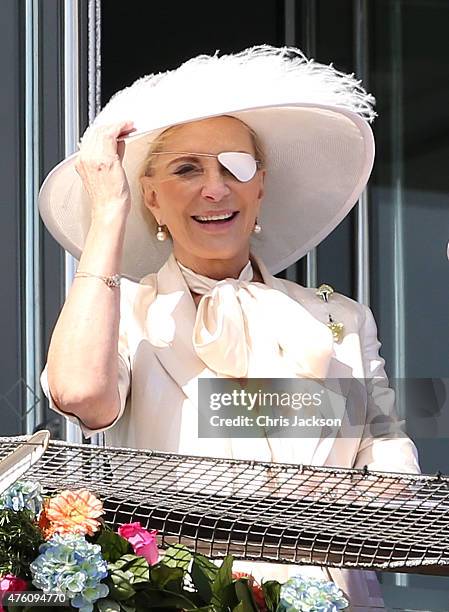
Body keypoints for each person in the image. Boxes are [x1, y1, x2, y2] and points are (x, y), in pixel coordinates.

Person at [39, 46, 420, 610]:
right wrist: (108, 214)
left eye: (234, 167)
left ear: (259, 185)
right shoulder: (123, 314)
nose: (214, 189)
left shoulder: (341, 319)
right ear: (151, 198)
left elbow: (392, 467)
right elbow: (78, 394)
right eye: (186, 169)